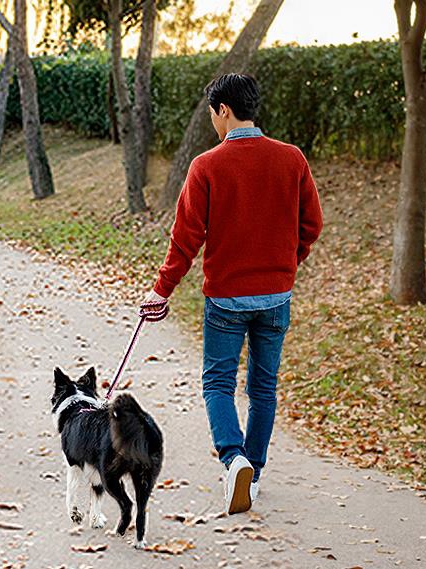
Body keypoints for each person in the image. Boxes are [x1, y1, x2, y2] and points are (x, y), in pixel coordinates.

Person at [140, 74, 323, 514]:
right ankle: (253, 474)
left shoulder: (207, 165)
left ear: (223, 109)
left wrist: (161, 291)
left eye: (212, 113)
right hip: (276, 296)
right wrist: (285, 265)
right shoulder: (292, 159)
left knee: (218, 383)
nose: (212, 122)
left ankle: (233, 457)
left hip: (225, 299)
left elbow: (185, 239)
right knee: (263, 387)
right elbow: (311, 225)